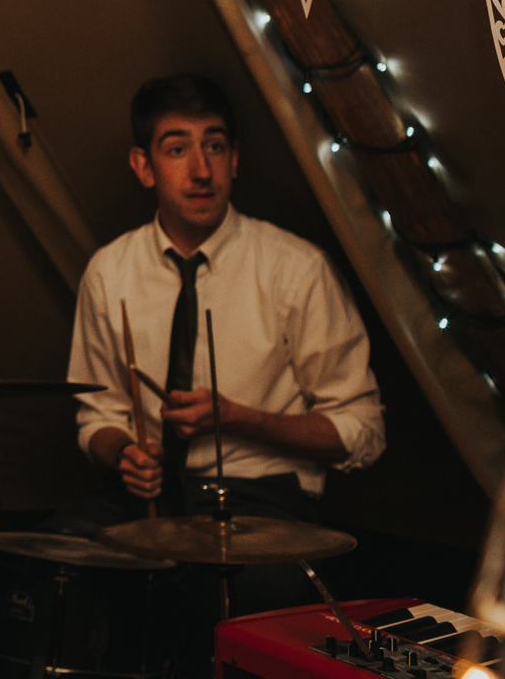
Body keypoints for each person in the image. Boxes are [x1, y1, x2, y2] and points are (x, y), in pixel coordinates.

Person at [57, 74, 385, 611]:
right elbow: (97, 418)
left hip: (260, 501)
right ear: (144, 166)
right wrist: (125, 453)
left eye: (214, 146)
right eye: (177, 149)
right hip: (149, 498)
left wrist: (239, 418)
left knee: (248, 592)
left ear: (235, 160)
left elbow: (361, 432)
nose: (201, 170)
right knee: (52, 563)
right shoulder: (109, 271)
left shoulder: (296, 269)